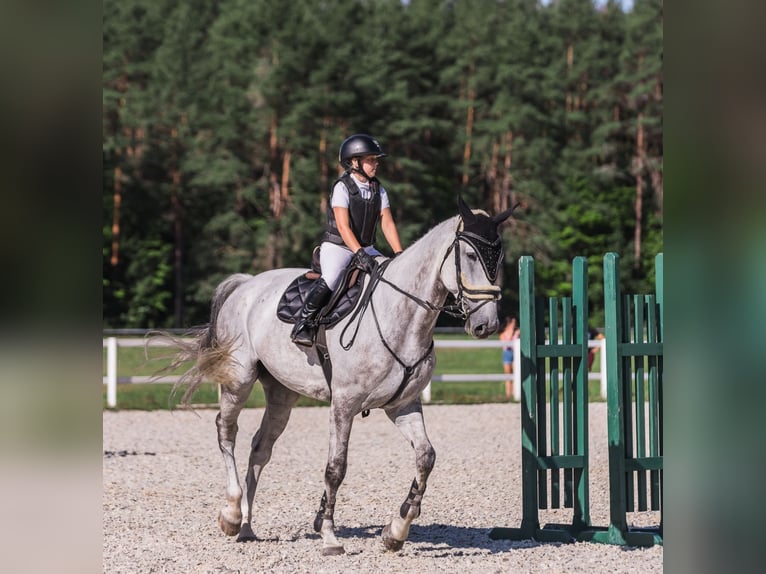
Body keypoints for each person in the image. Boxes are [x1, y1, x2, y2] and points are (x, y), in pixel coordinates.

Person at [291, 134, 404, 346]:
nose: (375, 164)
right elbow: (343, 226)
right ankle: (303, 324)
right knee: (333, 277)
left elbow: (387, 224)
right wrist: (358, 252)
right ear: (355, 162)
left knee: (390, 275)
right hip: (339, 247)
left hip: (367, 248)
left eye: (376, 160)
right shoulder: (342, 187)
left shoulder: (378, 189)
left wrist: (399, 253)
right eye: (371, 159)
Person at [499, 316, 520, 398]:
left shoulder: (517, 332)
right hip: (507, 353)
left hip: (515, 353)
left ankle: (515, 394)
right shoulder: (503, 334)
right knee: (508, 375)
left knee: (516, 374)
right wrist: (511, 330)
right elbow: (507, 342)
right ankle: (508, 395)